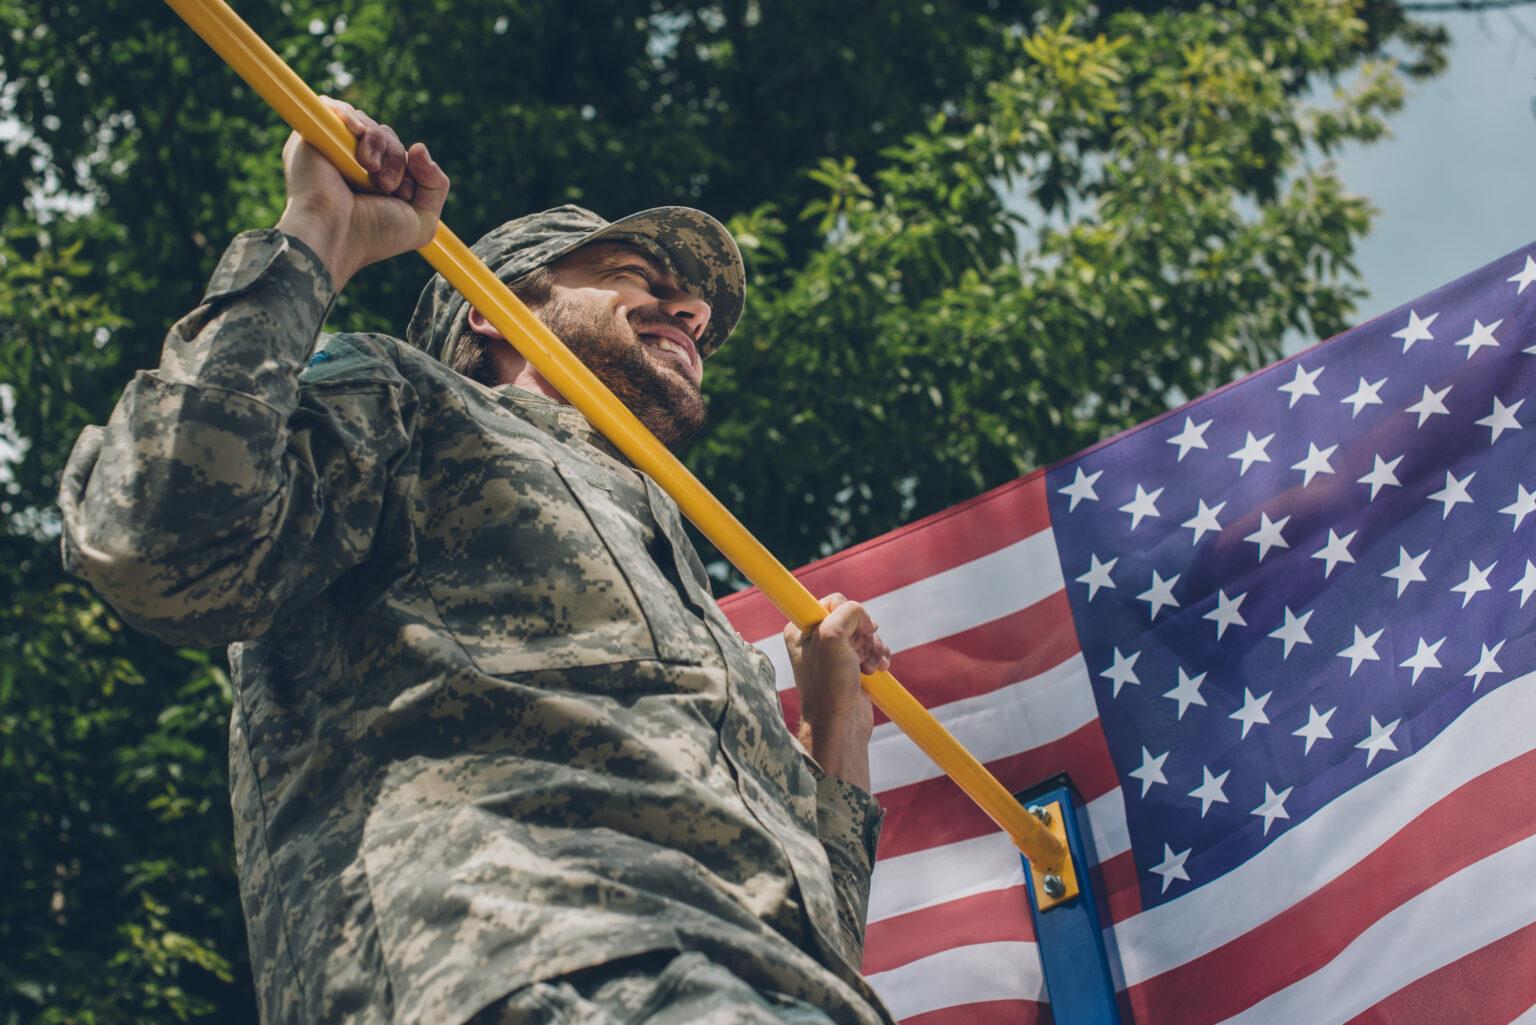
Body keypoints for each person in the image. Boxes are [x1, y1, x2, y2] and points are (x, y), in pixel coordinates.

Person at [58, 99, 901, 1025]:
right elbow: (162, 537)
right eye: (632, 273)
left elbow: (817, 927)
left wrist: (835, 725)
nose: (689, 310)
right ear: (493, 312)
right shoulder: (410, 401)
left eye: (692, 306)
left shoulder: (693, 597)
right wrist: (319, 235)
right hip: (535, 963)